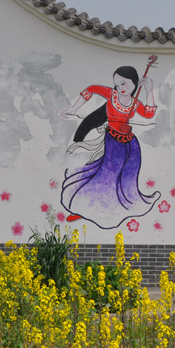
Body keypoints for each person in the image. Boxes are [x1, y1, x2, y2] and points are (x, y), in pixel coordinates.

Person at [58, 66, 160, 229]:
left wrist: (149, 91)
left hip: (131, 145)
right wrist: (73, 109)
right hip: (113, 142)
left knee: (127, 178)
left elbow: (148, 114)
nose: (120, 88)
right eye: (117, 84)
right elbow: (90, 90)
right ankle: (82, 207)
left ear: (134, 84)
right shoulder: (111, 95)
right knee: (105, 177)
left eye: (124, 83)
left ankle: (119, 207)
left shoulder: (134, 103)